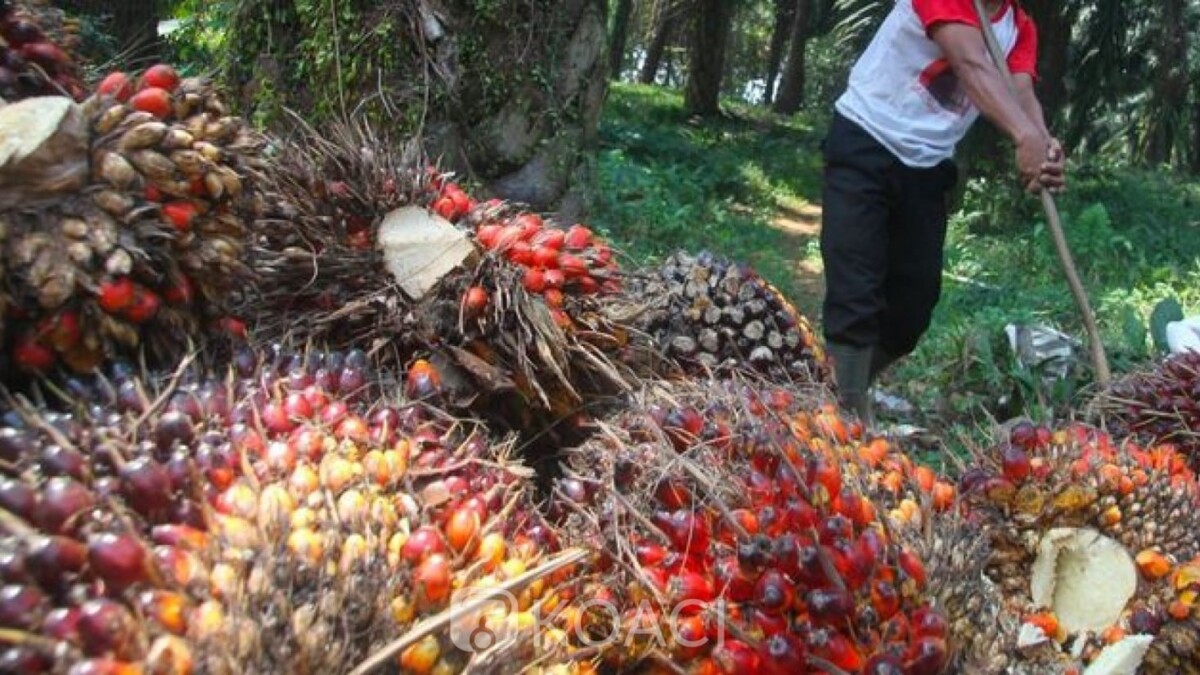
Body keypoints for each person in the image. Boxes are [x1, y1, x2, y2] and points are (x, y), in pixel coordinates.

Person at [819, 0, 1065, 425]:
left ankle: (830, 383)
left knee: (911, 309)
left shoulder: (1020, 28)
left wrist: (1043, 145)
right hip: (866, 139)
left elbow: (1020, 91)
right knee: (855, 292)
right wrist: (1023, 135)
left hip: (928, 169)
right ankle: (846, 410)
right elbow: (969, 62)